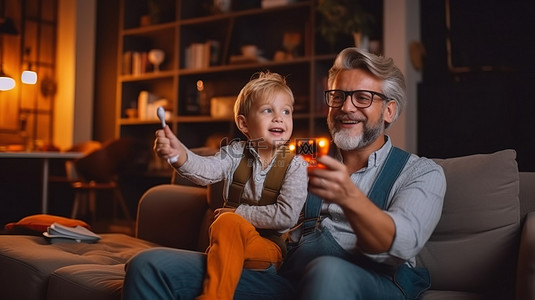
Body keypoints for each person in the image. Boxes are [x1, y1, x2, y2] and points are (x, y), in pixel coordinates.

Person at [122, 48, 446, 300]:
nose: (346, 108)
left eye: (362, 98)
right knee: (149, 267)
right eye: (337, 96)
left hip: (370, 282)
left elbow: (402, 243)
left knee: (327, 272)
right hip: (289, 280)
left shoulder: (420, 172)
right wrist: (182, 154)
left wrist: (350, 197)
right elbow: (250, 153)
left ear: (389, 110)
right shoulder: (303, 152)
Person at [133, 71, 308, 300]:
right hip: (226, 249)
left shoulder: (295, 165)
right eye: (268, 110)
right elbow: (205, 171)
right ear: (244, 123)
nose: (279, 118)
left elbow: (285, 216)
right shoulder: (235, 154)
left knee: (227, 219)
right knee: (226, 223)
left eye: (286, 111)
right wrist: (178, 156)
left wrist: (239, 213)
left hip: (266, 251)